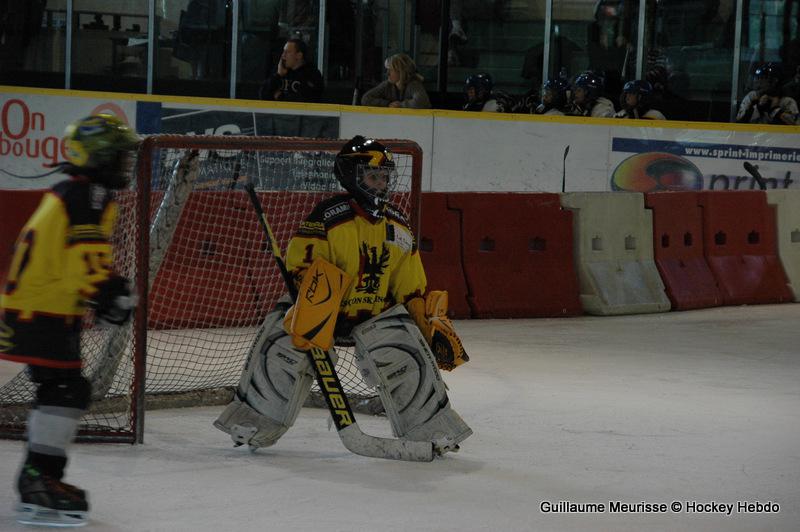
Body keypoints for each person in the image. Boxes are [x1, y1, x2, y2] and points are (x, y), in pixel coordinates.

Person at [214, 135, 471, 455]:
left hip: (374, 317)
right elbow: (302, 268)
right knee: (283, 344)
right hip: (322, 313)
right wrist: (310, 311)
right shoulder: (328, 217)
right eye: (374, 176)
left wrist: (427, 328)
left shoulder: (398, 225)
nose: (382, 184)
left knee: (405, 352)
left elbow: (410, 288)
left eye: (385, 178)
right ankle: (252, 423)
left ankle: (434, 430)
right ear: (352, 176)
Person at [0, 114, 139, 527]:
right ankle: (38, 480)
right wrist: (106, 292)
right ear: (96, 157)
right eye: (118, 156)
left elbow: (81, 252)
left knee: (63, 388)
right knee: (64, 389)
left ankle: (41, 477)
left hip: (44, 306)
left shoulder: (79, 190)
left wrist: (105, 287)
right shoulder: (87, 193)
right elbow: (85, 253)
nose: (125, 165)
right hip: (40, 309)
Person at [260, 37, 324, 102]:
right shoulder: (280, 69)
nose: (283, 55)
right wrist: (278, 75)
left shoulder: (312, 74)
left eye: (287, 52)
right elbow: (263, 95)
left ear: (299, 55)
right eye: (283, 51)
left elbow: (309, 99)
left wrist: (280, 97)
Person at [361, 53, 431, 109]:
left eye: (391, 70)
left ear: (401, 72)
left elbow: (422, 101)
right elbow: (366, 99)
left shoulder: (413, 84)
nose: (387, 73)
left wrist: (401, 105)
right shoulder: (387, 85)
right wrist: (388, 104)